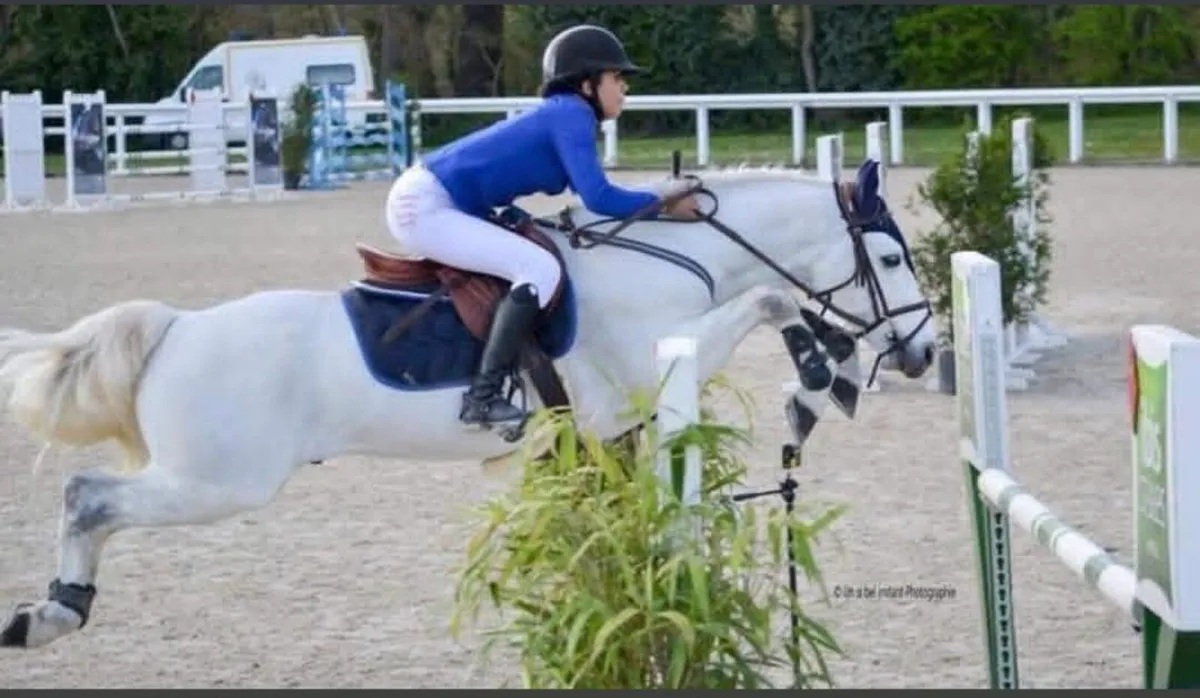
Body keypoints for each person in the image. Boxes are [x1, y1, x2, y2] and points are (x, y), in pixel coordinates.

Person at [384, 23, 699, 430]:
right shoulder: (572, 114)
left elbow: (600, 198)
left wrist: (659, 204)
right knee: (539, 269)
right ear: (587, 85)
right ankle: (483, 398)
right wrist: (663, 195)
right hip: (426, 206)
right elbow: (599, 199)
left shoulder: (566, 114)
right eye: (617, 78)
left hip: (439, 199)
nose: (624, 89)